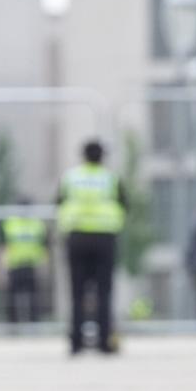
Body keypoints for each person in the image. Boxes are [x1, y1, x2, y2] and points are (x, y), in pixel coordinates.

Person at [57, 140, 126, 355]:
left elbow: (59, 202)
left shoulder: (71, 177)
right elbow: (124, 204)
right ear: (102, 157)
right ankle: (105, 342)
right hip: (104, 238)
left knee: (77, 293)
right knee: (104, 292)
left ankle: (76, 343)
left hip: (76, 237)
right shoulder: (110, 178)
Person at [0, 198, 48, 325]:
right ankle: (13, 329)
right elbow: (3, 248)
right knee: (11, 302)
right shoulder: (10, 224)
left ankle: (33, 328)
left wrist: (44, 269)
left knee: (34, 301)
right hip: (14, 266)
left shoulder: (38, 225)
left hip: (32, 266)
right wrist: (1, 270)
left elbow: (44, 250)